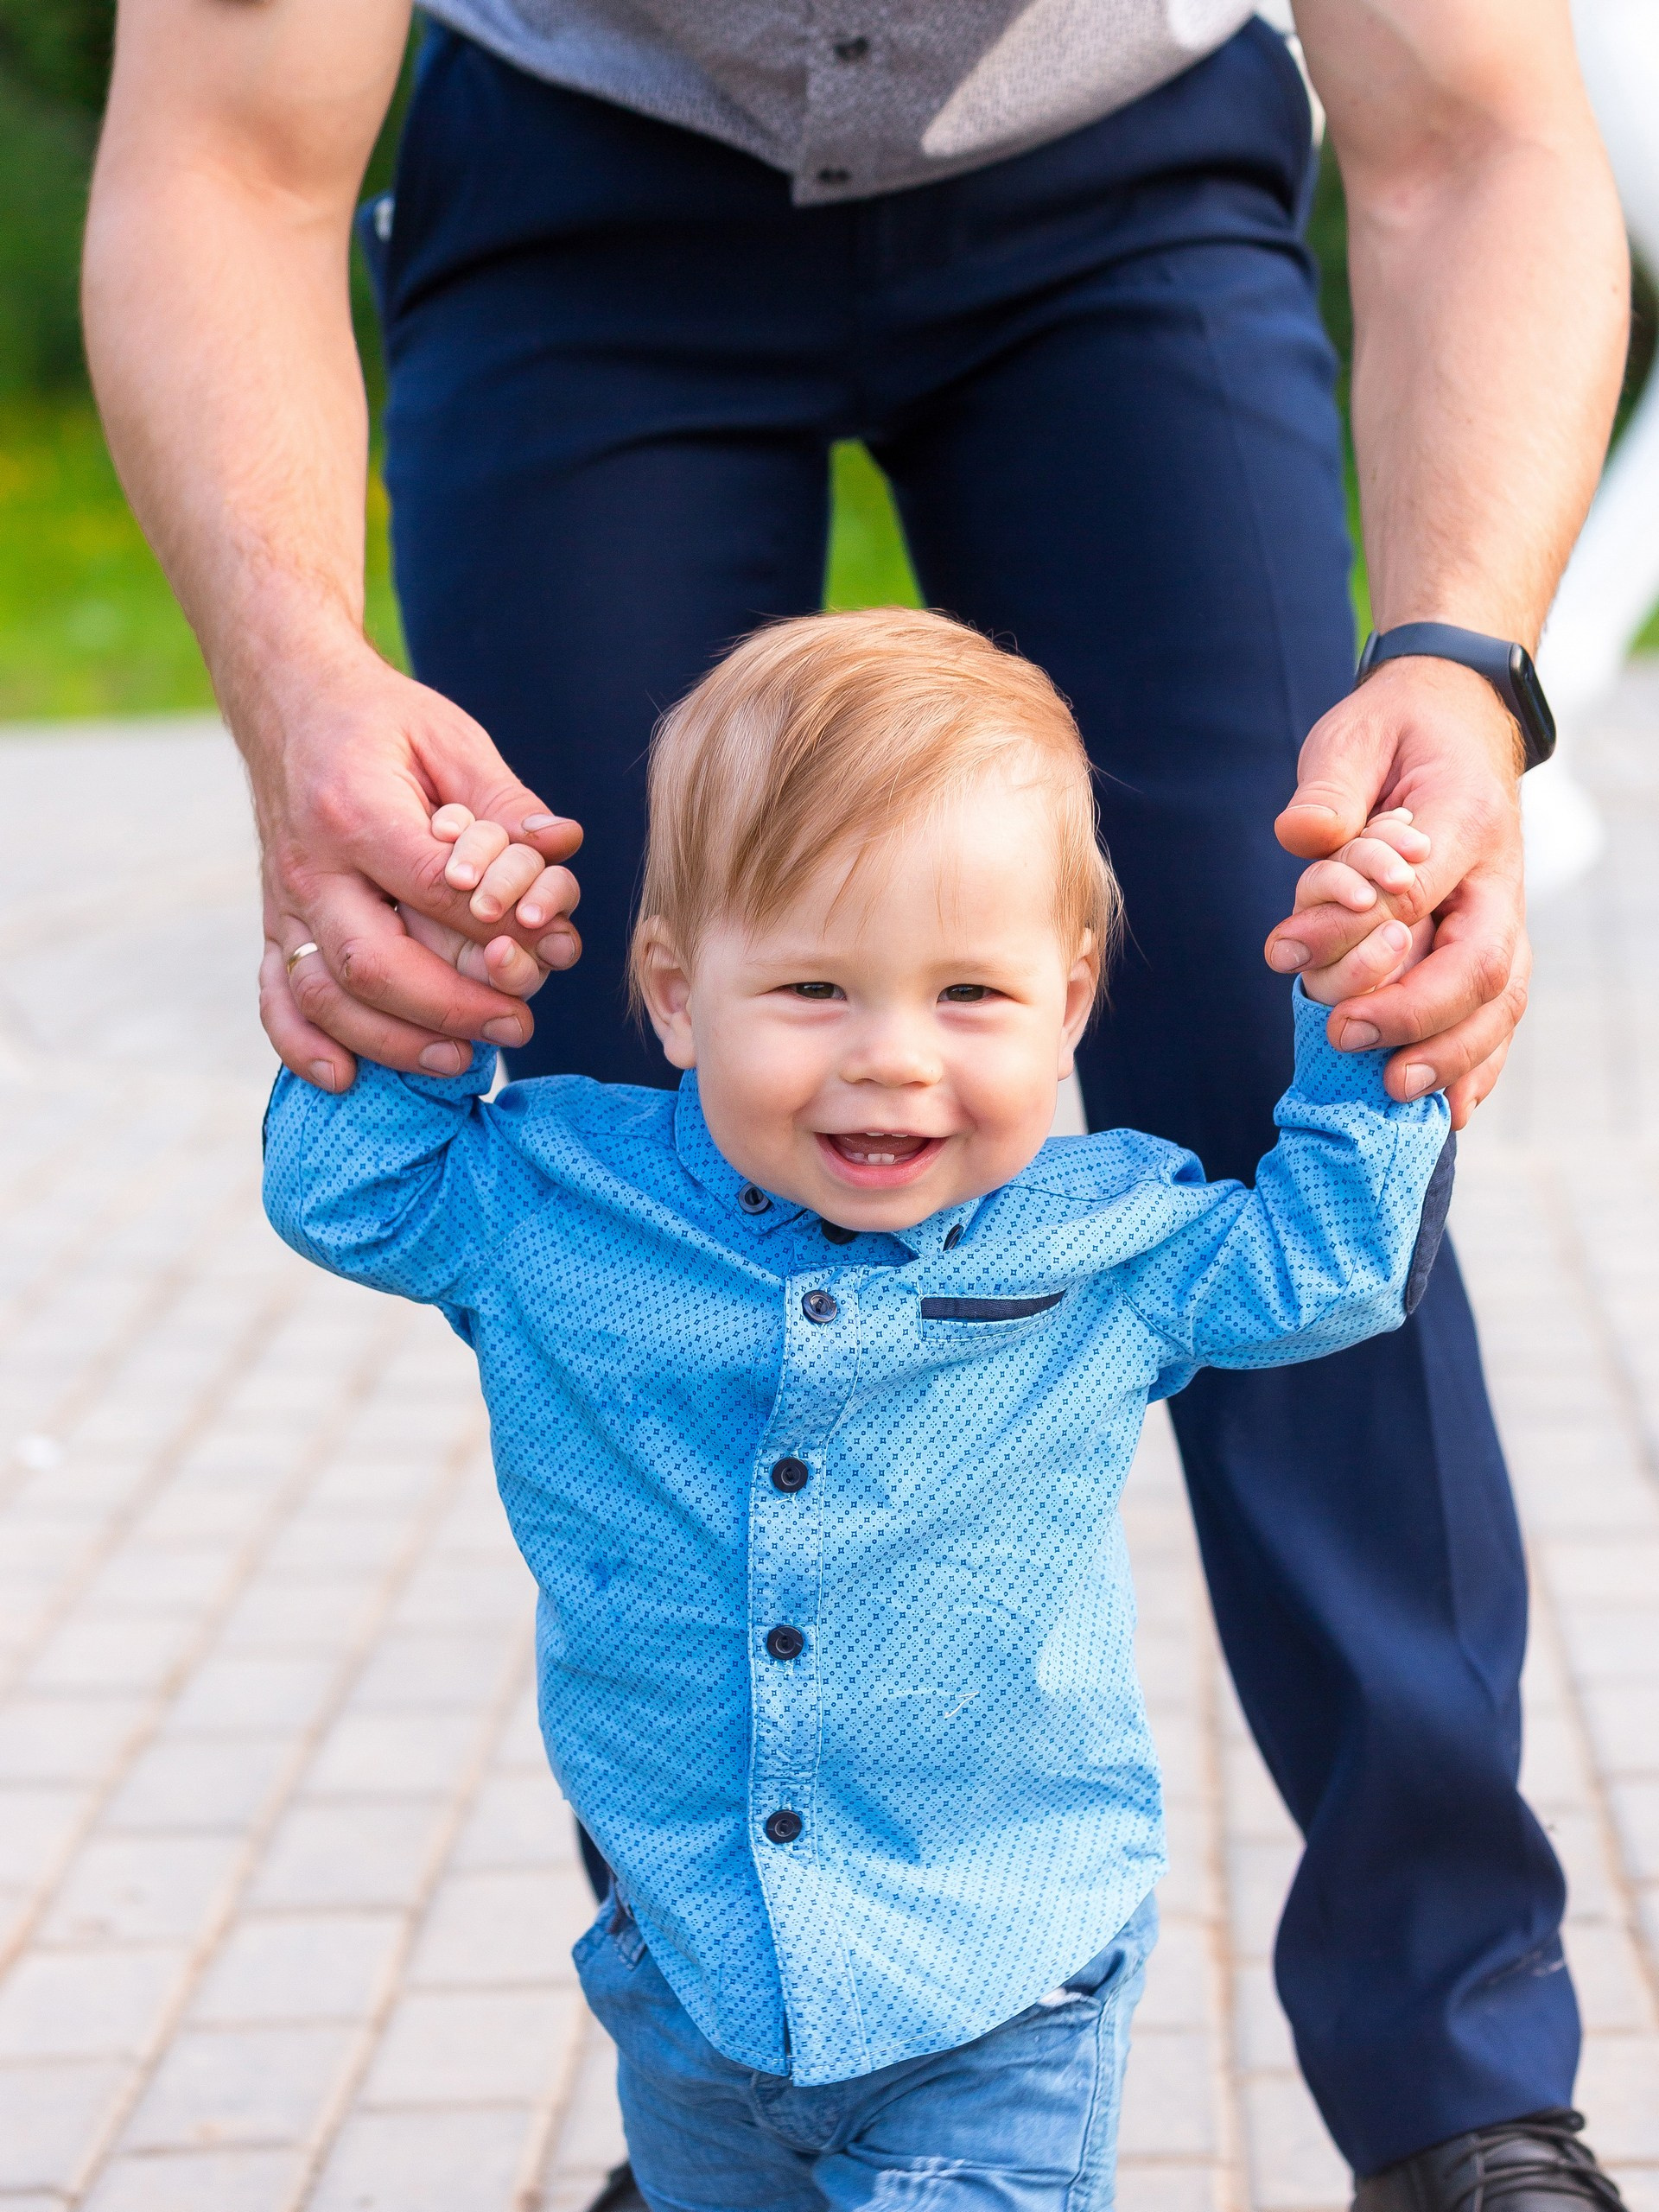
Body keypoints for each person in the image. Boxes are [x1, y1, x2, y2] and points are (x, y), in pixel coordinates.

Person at [81, 0, 1630, 2195]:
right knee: (635, 1113)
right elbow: (224, 163)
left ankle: (1464, 2078)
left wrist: (1461, 667)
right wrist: (297, 683)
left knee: (1290, 968)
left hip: (1116, 179)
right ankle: (751, 2040)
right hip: (585, 192)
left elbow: (1480, 143)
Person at [264, 609, 1456, 2210]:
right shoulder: (553, 1205)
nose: (892, 1061)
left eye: (971, 994)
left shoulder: (1104, 1245)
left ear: (1070, 1003)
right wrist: (442, 987)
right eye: (817, 988)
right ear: (678, 999)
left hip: (1000, 1983)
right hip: (690, 1975)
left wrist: (1359, 1013)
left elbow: (1334, 1265)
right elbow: (345, 1190)